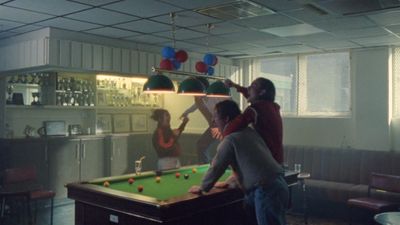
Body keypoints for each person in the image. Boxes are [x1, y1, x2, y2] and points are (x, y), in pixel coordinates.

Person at [188, 100, 288, 225]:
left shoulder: (230, 139)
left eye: (216, 118)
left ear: (226, 119)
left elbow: (217, 167)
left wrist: (203, 187)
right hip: (277, 185)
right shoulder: (249, 132)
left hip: (266, 190)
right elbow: (249, 164)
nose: (213, 121)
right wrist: (230, 181)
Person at [224, 78, 284, 165]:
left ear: (262, 92)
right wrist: (235, 85)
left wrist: (222, 121)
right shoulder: (273, 106)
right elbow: (250, 94)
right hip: (277, 160)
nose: (249, 87)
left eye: (253, 86)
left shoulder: (255, 109)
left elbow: (229, 131)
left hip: (266, 162)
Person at [180, 77, 226, 164]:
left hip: (224, 125)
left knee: (224, 146)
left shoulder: (214, 97)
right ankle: (204, 165)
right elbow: (195, 106)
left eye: (196, 92)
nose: (195, 95)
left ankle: (224, 164)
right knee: (201, 144)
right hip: (214, 125)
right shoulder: (200, 100)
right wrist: (186, 112)